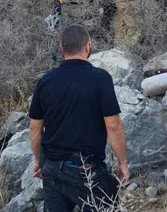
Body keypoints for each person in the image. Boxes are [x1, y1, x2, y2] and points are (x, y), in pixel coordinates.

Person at [29, 24, 129, 212]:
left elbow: (35, 129)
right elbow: (114, 126)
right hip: (86, 170)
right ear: (88, 46)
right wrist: (123, 163)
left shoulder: (46, 81)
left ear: (61, 48)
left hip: (52, 169)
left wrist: (38, 160)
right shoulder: (100, 78)